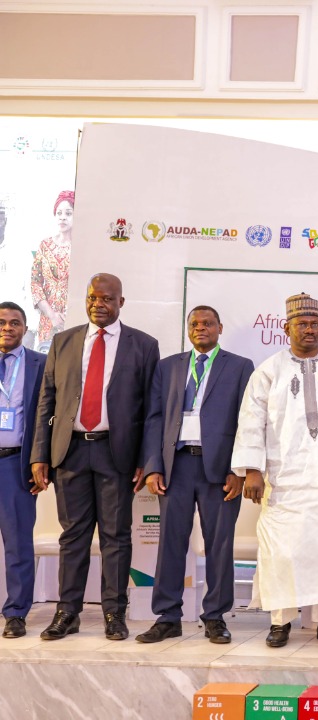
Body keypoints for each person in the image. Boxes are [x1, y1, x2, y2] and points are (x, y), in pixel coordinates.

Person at [232, 292, 318, 648]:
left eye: (314, 324)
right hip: (284, 478)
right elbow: (252, 421)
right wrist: (252, 470)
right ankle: (280, 621)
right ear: (287, 328)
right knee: (282, 550)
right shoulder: (269, 370)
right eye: (302, 324)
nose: (310, 330)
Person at [30, 273, 160, 641]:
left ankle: (114, 613)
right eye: (92, 298)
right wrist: (40, 453)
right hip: (69, 452)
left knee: (116, 537)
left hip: (116, 454)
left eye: (106, 298)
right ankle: (67, 612)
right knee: (72, 535)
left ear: (121, 302)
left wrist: (147, 460)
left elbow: (152, 410)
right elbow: (47, 401)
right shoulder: (64, 341)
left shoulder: (143, 345)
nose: (98, 304)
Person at [135, 305, 254, 644]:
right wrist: (154, 466)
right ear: (188, 329)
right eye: (195, 324)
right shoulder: (168, 366)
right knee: (170, 543)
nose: (201, 328)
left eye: (208, 323)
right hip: (177, 466)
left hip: (219, 469)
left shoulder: (240, 366)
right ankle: (168, 616)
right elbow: (154, 418)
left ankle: (215, 616)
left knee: (220, 544)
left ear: (220, 328)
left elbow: (247, 419)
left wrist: (239, 469)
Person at [0, 301, 46, 639]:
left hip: (14, 465)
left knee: (18, 543)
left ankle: (16, 612)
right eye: (2, 322)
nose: (7, 328)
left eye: (15, 322)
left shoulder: (40, 364)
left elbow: (48, 417)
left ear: (25, 329)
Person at [30, 191, 74, 349]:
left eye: (68, 213)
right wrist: (52, 315)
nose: (63, 217)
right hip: (47, 319)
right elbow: (35, 283)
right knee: (45, 358)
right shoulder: (45, 245)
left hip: (73, 319)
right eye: (59, 213)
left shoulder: (81, 248)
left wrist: (69, 315)